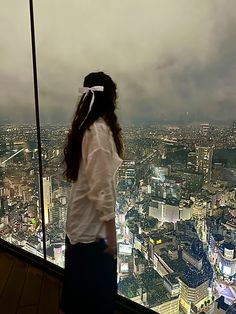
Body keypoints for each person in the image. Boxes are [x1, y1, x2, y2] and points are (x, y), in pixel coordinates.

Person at [60, 72, 123, 314]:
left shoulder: (86, 127)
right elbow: (101, 186)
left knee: (79, 291)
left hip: (81, 224)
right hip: (92, 231)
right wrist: (110, 231)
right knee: (96, 297)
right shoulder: (98, 131)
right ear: (108, 99)